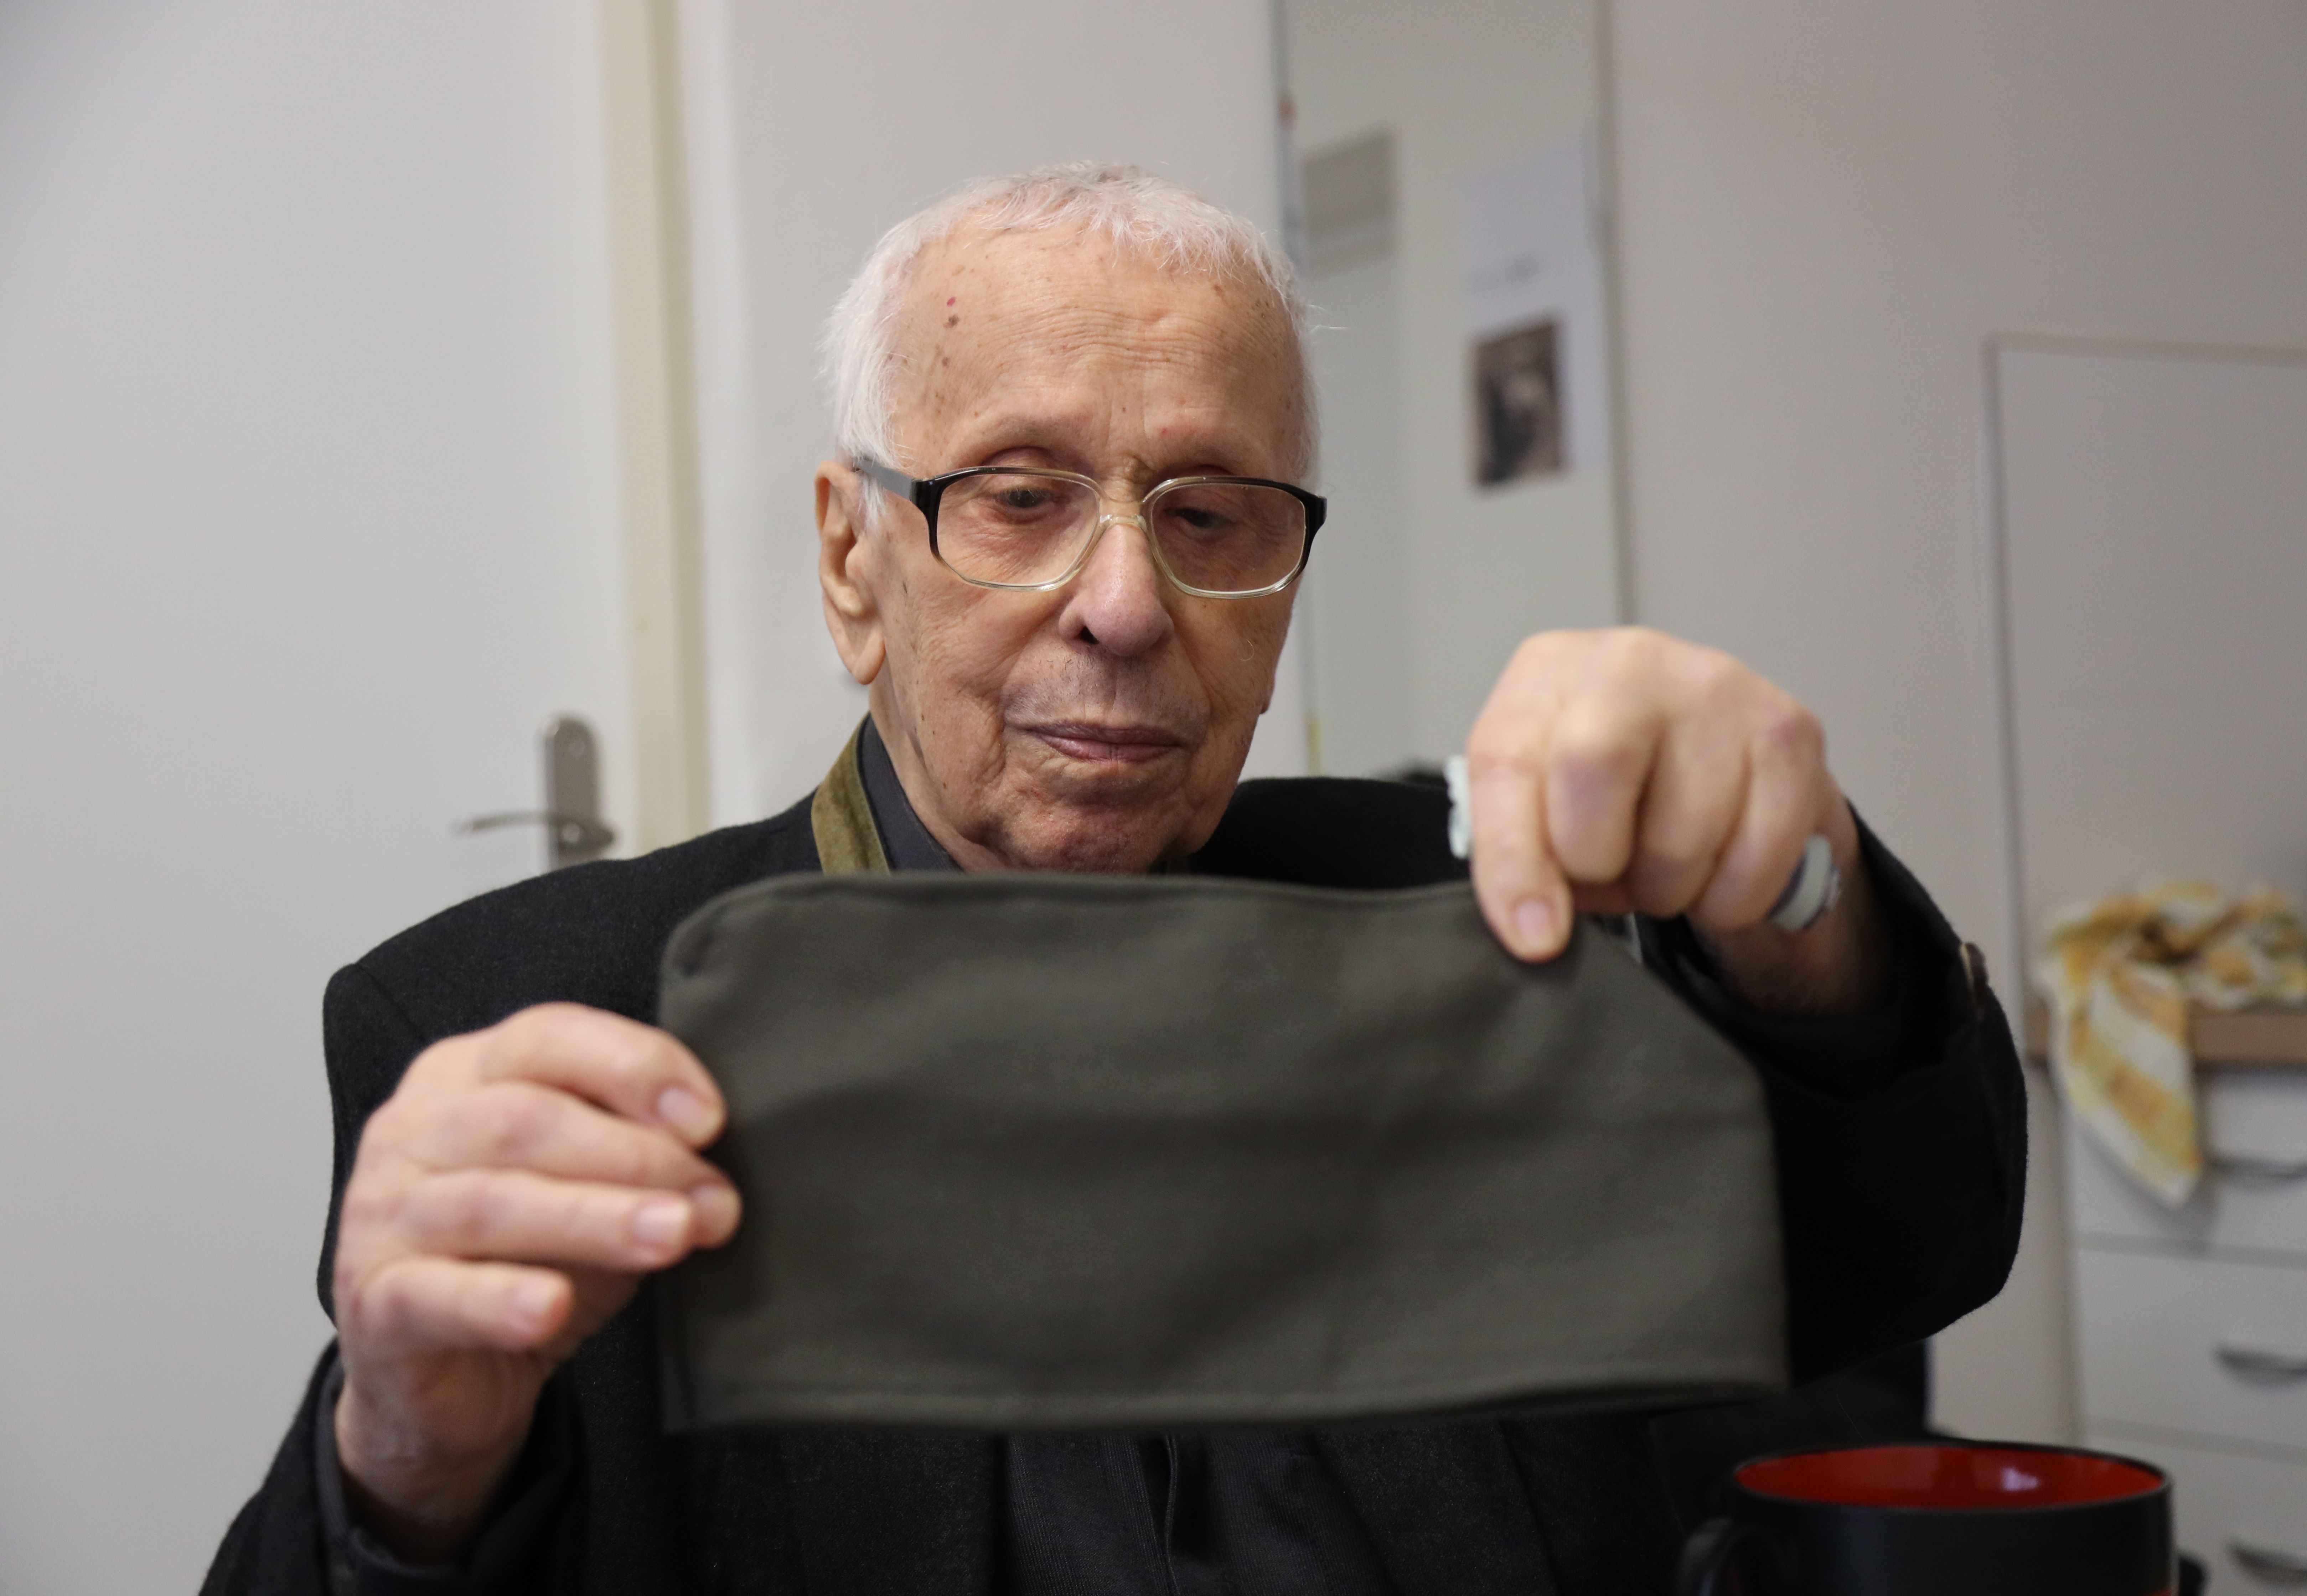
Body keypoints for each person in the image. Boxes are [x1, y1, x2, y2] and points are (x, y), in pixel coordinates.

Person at [204, 164, 2023, 1595]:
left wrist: (1800, 901)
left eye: (1213, 514)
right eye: (1016, 495)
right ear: (852, 564)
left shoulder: (1490, 927)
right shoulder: (521, 1021)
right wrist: (407, 1461)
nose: (1129, 604)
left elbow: (1904, 1245)